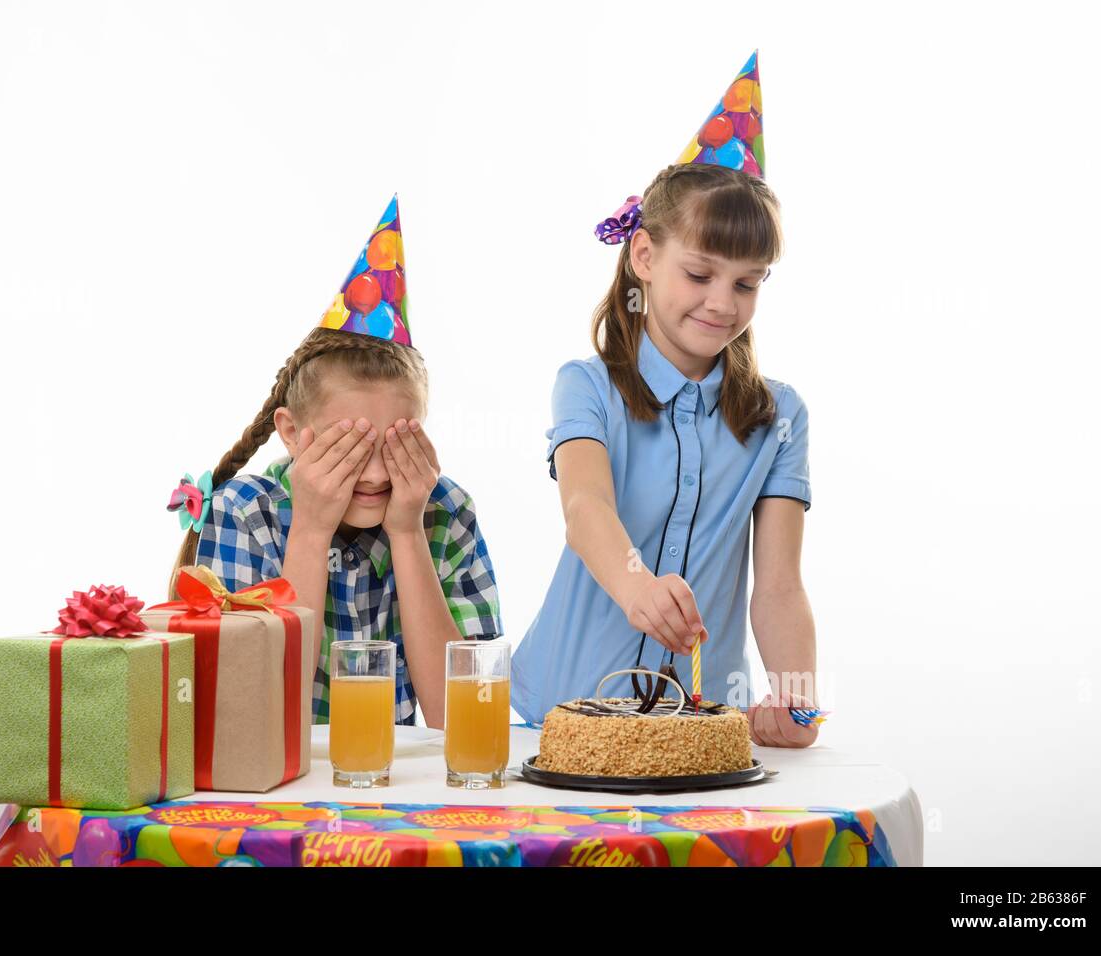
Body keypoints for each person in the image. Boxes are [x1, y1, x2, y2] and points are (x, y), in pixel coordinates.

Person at [511, 52, 819, 747]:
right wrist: (638, 586)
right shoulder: (586, 386)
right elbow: (585, 507)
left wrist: (798, 705)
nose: (722, 303)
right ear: (645, 257)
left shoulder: (779, 419)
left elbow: (778, 588)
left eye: (747, 284)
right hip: (561, 717)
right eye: (701, 273)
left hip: (698, 729)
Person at [167, 195, 502, 730]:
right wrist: (311, 529)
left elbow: (460, 723)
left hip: (397, 786)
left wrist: (410, 535)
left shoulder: (443, 510)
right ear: (293, 434)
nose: (373, 475)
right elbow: (256, 719)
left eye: (395, 446)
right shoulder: (242, 513)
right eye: (349, 449)